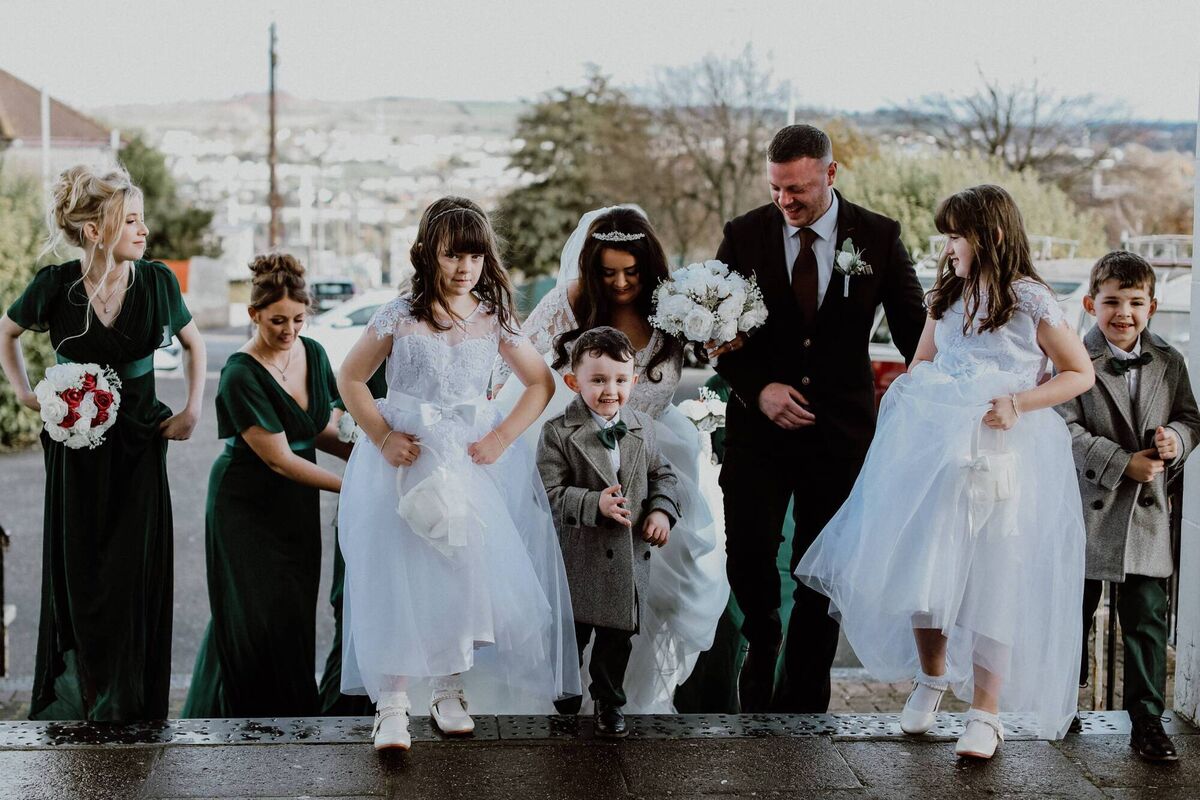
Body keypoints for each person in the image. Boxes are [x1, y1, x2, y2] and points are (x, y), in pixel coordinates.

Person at [796, 184, 1094, 758]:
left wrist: (1019, 402)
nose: (949, 245)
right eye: (947, 234)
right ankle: (931, 679)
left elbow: (1077, 372)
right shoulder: (947, 296)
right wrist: (914, 396)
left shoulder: (1031, 299)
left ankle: (986, 711)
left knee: (994, 577)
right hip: (936, 448)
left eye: (958, 234)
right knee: (927, 567)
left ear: (994, 235)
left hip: (1003, 451)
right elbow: (923, 361)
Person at [336, 197, 579, 750]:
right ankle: (392, 702)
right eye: (453, 256)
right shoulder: (399, 314)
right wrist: (382, 435)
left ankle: (449, 688)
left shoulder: (494, 316)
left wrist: (500, 436)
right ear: (427, 254)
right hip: (406, 458)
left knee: (460, 574)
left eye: (474, 255)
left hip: (468, 463)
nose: (465, 267)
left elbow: (540, 383)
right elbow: (350, 377)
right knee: (397, 573)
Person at [710, 124, 926, 713]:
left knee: (822, 568)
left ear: (831, 175)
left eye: (799, 189)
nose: (786, 202)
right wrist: (759, 390)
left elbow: (916, 334)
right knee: (749, 553)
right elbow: (715, 333)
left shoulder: (878, 237)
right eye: (777, 189)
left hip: (840, 437)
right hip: (759, 432)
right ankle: (763, 639)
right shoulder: (745, 234)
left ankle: (803, 700)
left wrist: (951, 396)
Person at [492, 206, 728, 713]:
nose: (620, 282)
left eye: (631, 271)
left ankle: (623, 699)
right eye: (607, 271)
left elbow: (724, 354)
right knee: (571, 591)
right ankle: (562, 696)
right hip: (580, 461)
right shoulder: (572, 302)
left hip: (653, 458)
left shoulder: (675, 308)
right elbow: (511, 360)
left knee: (653, 597)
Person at [0, 165, 206, 720]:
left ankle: (132, 701)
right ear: (96, 230)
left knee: (132, 573)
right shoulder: (54, 286)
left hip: (140, 446)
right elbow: (7, 333)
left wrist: (192, 408)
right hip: (75, 453)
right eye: (131, 220)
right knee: (81, 569)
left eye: (143, 220)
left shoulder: (158, 281)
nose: (144, 230)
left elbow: (194, 345)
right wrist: (27, 394)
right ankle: (85, 695)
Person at [183, 253, 351, 718]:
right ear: (253, 314)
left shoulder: (313, 353)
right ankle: (240, 717)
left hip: (295, 505)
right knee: (249, 615)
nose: (289, 330)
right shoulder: (240, 372)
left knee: (292, 613)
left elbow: (315, 429)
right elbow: (278, 459)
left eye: (299, 318)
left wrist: (371, 462)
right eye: (277, 320)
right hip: (246, 505)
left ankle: (289, 716)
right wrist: (350, 487)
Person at [1057, 251, 1200, 762]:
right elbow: (1061, 425)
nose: (1124, 313)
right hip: (1088, 508)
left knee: (1146, 617)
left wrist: (1175, 443)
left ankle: (1147, 722)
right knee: (1072, 611)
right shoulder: (1073, 355)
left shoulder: (1169, 359)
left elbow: (1190, 417)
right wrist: (1121, 463)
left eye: (1136, 303)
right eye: (1112, 302)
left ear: (1152, 306)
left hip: (1145, 513)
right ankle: (1060, 704)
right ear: (1092, 304)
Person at [537, 326, 683, 737]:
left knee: (616, 642)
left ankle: (608, 703)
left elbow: (663, 476)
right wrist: (592, 503)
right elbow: (547, 494)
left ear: (633, 382)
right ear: (573, 382)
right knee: (571, 640)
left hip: (627, 560)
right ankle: (564, 698)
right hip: (579, 559)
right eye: (598, 380)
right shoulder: (557, 433)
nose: (610, 390)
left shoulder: (642, 427)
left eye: (620, 380)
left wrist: (661, 512)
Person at [318, 364, 386, 717]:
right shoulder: (383, 343)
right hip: (372, 496)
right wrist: (373, 450)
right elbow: (336, 412)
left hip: (431, 500)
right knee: (352, 607)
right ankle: (338, 715)